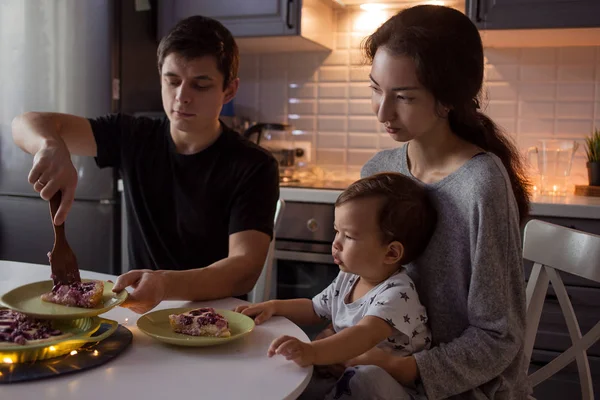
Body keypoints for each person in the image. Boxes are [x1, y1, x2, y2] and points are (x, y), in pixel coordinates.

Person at [11, 15, 279, 314]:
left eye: (200, 85)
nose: (182, 97)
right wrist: (50, 145)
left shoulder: (254, 165)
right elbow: (25, 123)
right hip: (140, 316)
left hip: (217, 321)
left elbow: (243, 269)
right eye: (172, 81)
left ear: (229, 90)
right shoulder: (134, 135)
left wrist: (165, 284)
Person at [328, 5, 530, 400]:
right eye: (375, 89)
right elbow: (354, 283)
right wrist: (337, 335)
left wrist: (403, 367)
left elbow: (499, 337)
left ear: (449, 99)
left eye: (403, 96)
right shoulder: (379, 168)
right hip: (372, 372)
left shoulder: (481, 184)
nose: (383, 112)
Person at [236, 172, 437, 400]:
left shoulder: (398, 294)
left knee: (366, 377)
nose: (336, 243)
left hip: (392, 391)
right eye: (336, 231)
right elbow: (314, 309)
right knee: (289, 376)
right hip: (342, 377)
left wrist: (312, 352)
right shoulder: (349, 277)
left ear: (391, 252)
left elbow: (363, 334)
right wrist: (273, 306)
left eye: (349, 236)